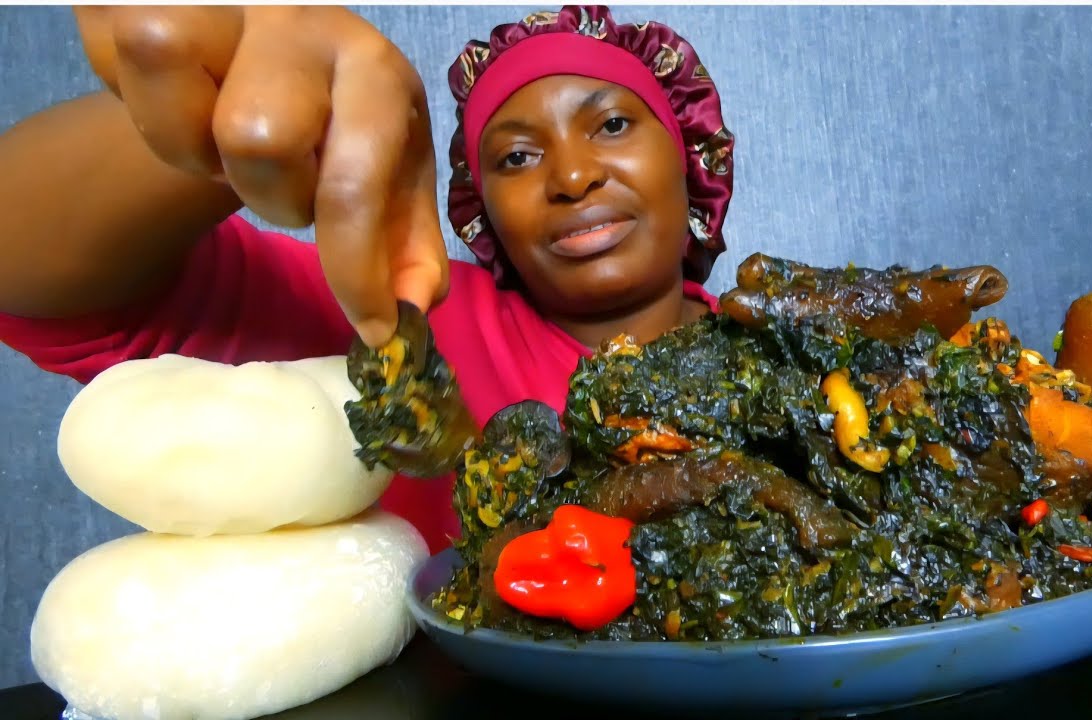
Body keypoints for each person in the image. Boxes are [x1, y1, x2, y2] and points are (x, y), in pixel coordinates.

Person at [0, 5, 735, 552]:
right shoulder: (401, 315)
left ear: (687, 155)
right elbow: (30, 268)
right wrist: (233, 127)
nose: (573, 177)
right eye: (516, 157)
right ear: (483, 210)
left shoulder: (809, 359)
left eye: (611, 125)